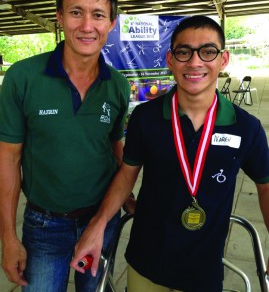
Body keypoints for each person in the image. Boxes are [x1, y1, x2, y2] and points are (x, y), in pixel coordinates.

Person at [70, 15, 269, 292]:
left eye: (208, 51)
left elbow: (265, 185)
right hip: (146, 265)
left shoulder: (246, 127)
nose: (195, 62)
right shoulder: (146, 118)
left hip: (204, 270)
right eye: (184, 52)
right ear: (170, 59)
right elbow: (127, 175)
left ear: (223, 60)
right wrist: (98, 224)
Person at [0, 0, 130, 291]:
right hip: (44, 226)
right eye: (76, 12)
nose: (87, 26)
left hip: (101, 222)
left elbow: (116, 146)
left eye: (98, 15)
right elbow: (8, 159)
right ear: (60, 17)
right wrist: (8, 238)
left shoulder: (117, 86)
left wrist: (126, 197)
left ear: (111, 23)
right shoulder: (22, 78)